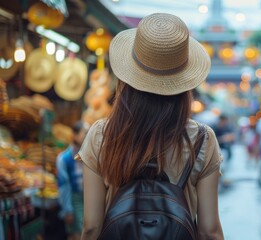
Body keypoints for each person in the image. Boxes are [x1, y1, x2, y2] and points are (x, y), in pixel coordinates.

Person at [77, 13, 224, 239]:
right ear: (183, 86)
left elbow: (91, 226)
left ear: (127, 79)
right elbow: (209, 230)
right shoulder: (202, 139)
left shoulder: (102, 134)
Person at [56, 121, 88, 240]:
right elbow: (64, 186)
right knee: (77, 233)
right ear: (75, 135)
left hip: (87, 198)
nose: (87, 137)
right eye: (85, 133)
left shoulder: (89, 156)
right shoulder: (64, 158)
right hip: (74, 200)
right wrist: (67, 210)